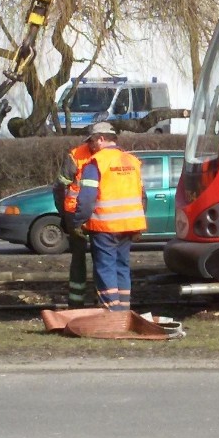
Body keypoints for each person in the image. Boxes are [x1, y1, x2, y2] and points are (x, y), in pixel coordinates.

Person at [72, 122, 147, 311]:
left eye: (92, 142)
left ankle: (112, 312)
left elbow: (87, 198)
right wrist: (137, 224)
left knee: (105, 268)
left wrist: (78, 220)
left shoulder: (96, 163)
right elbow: (142, 196)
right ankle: (124, 309)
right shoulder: (132, 161)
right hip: (129, 225)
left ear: (101, 139)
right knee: (122, 266)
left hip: (105, 226)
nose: (90, 146)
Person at [52, 140, 93, 308]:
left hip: (80, 215)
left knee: (86, 259)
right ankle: (93, 303)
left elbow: (60, 187)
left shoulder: (76, 156)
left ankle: (78, 303)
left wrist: (66, 216)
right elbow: (60, 187)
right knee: (100, 260)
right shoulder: (76, 156)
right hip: (88, 216)